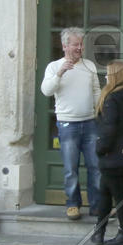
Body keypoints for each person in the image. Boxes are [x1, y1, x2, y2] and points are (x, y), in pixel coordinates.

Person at [40, 27, 101, 221]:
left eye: (81, 44)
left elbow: (96, 91)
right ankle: (73, 205)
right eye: (76, 44)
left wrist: (101, 111)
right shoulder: (54, 67)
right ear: (65, 46)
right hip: (68, 125)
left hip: (90, 123)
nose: (79, 48)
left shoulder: (89, 65)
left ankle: (97, 206)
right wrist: (60, 73)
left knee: (95, 167)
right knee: (70, 169)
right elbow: (46, 91)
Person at [91, 60, 123, 245]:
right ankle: (99, 232)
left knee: (118, 193)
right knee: (105, 191)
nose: (105, 76)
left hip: (112, 152)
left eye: (108, 73)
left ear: (115, 76)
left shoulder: (112, 98)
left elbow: (109, 128)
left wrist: (100, 148)